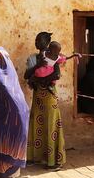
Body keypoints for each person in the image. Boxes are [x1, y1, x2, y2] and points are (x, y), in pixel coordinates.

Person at [0, 46, 29, 178]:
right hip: (20, 113)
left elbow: (1, 95)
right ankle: (10, 174)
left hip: (6, 115)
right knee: (14, 143)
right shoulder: (11, 73)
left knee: (2, 143)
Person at [25, 32, 65, 170]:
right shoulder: (33, 58)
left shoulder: (53, 57)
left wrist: (38, 80)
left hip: (49, 94)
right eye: (36, 40)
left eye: (39, 40)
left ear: (47, 42)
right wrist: (37, 67)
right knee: (37, 123)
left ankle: (53, 161)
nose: (36, 42)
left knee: (51, 125)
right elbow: (26, 75)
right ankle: (37, 157)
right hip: (38, 97)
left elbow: (57, 74)